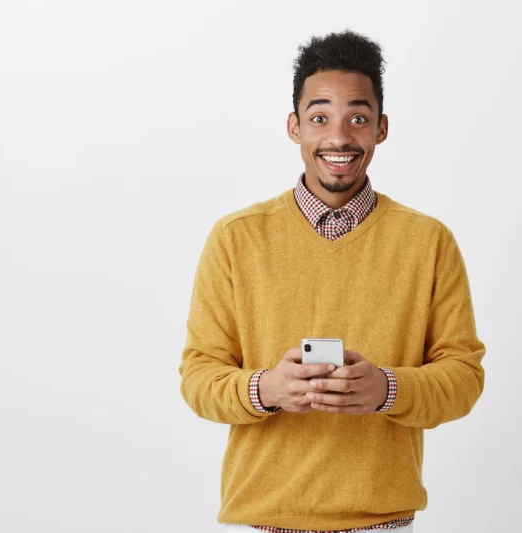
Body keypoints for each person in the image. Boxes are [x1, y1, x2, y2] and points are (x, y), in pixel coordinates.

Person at [179, 29, 487, 533]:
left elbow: (464, 378)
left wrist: (387, 388)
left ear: (381, 128)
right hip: (262, 518)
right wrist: (266, 389)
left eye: (357, 118)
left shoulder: (428, 242)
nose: (339, 138)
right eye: (319, 117)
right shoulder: (236, 238)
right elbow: (198, 378)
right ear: (294, 127)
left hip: (382, 520)